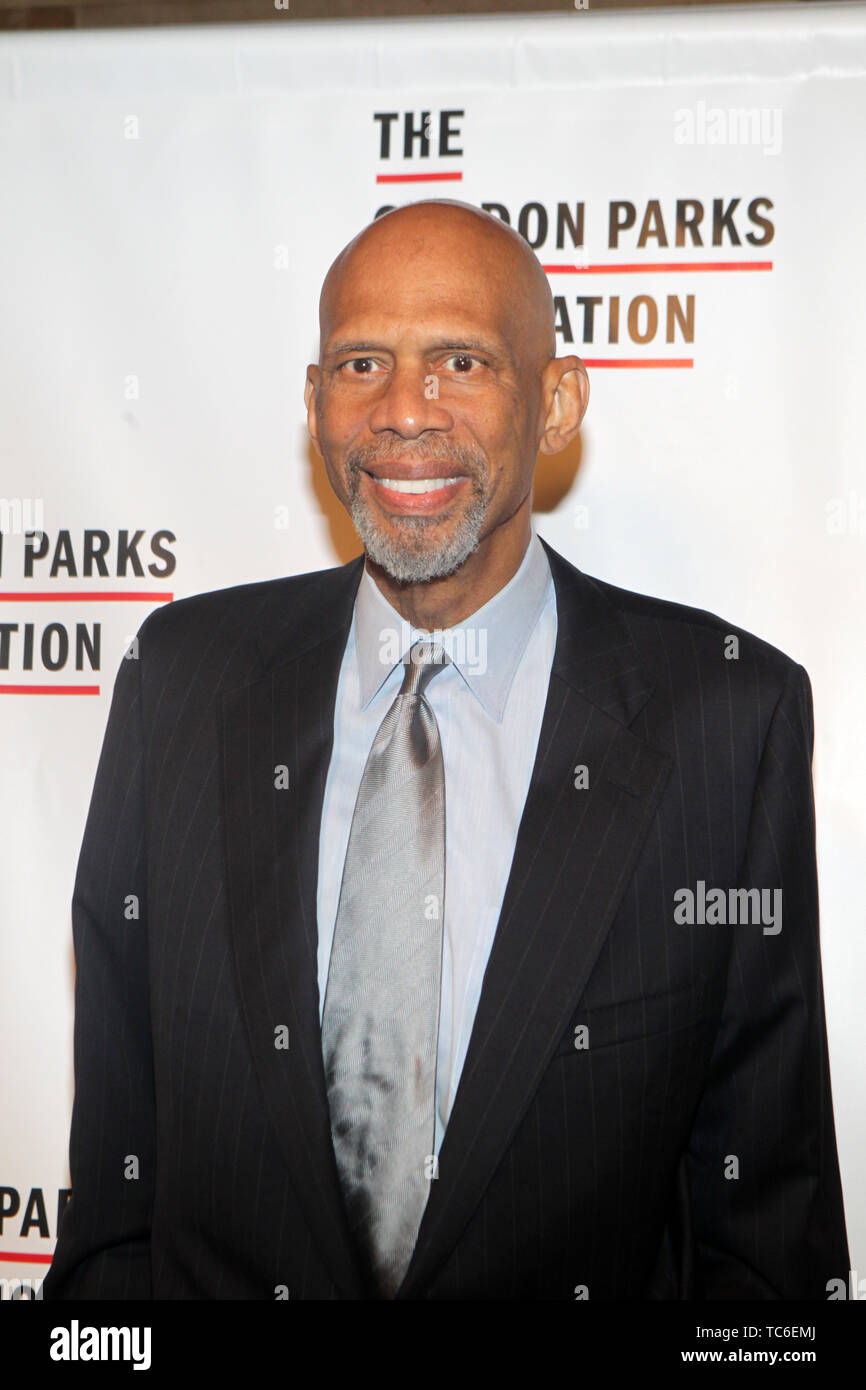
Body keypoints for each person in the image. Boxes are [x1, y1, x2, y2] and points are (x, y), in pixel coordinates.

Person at [43, 200, 848, 1300]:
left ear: (556, 403)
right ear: (314, 401)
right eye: (361, 362)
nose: (404, 412)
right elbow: (116, 1191)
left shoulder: (722, 716)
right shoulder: (179, 679)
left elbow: (762, 1230)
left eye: (460, 360)